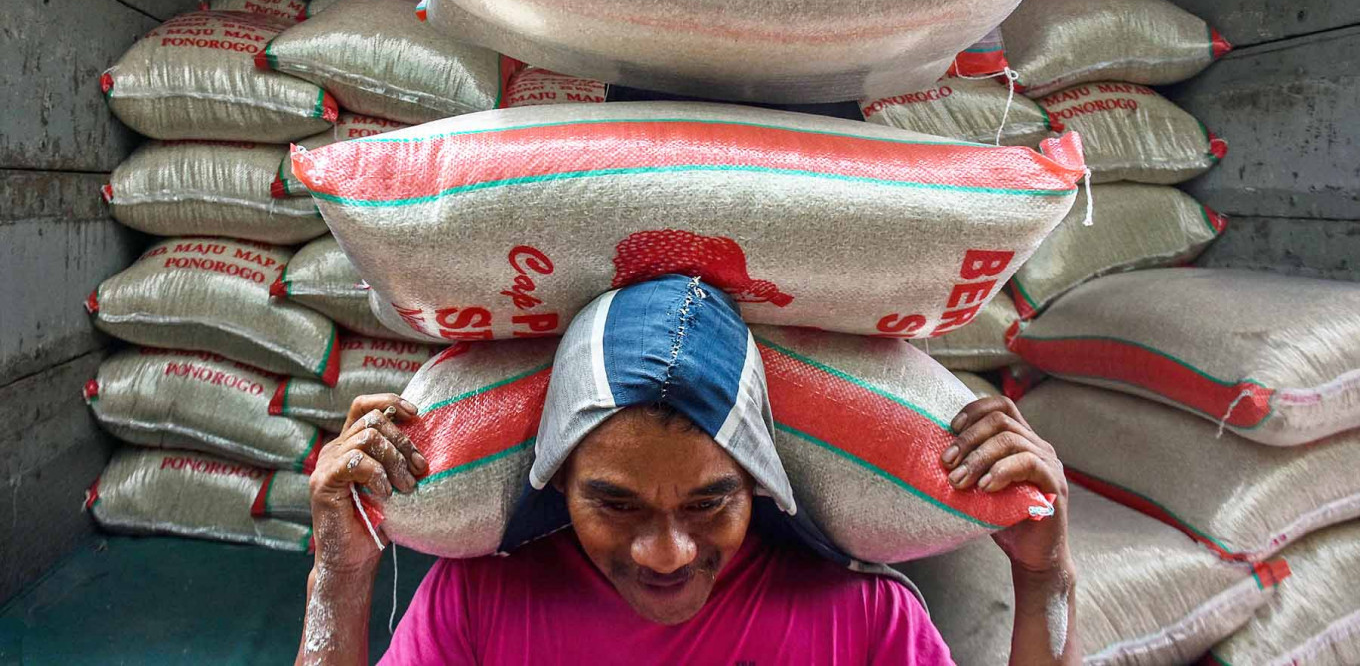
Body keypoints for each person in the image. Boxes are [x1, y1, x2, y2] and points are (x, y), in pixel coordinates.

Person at [297, 275, 1078, 664]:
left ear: (760, 483)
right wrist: (340, 576)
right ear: (560, 478)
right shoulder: (474, 609)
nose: (666, 552)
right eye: (616, 502)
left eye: (710, 502)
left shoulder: (863, 623)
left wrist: (1046, 582)